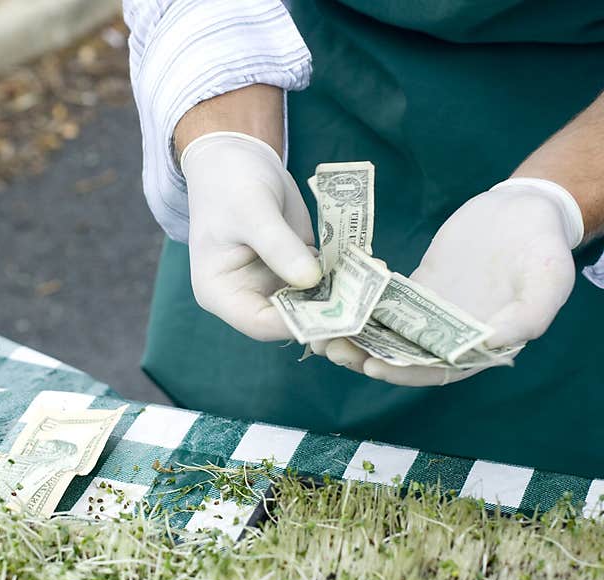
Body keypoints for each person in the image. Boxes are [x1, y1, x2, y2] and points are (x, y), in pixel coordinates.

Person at [123, 0, 604, 479]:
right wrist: (225, 137)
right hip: (311, 91)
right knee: (240, 455)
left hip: (568, 119)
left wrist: (560, 197)